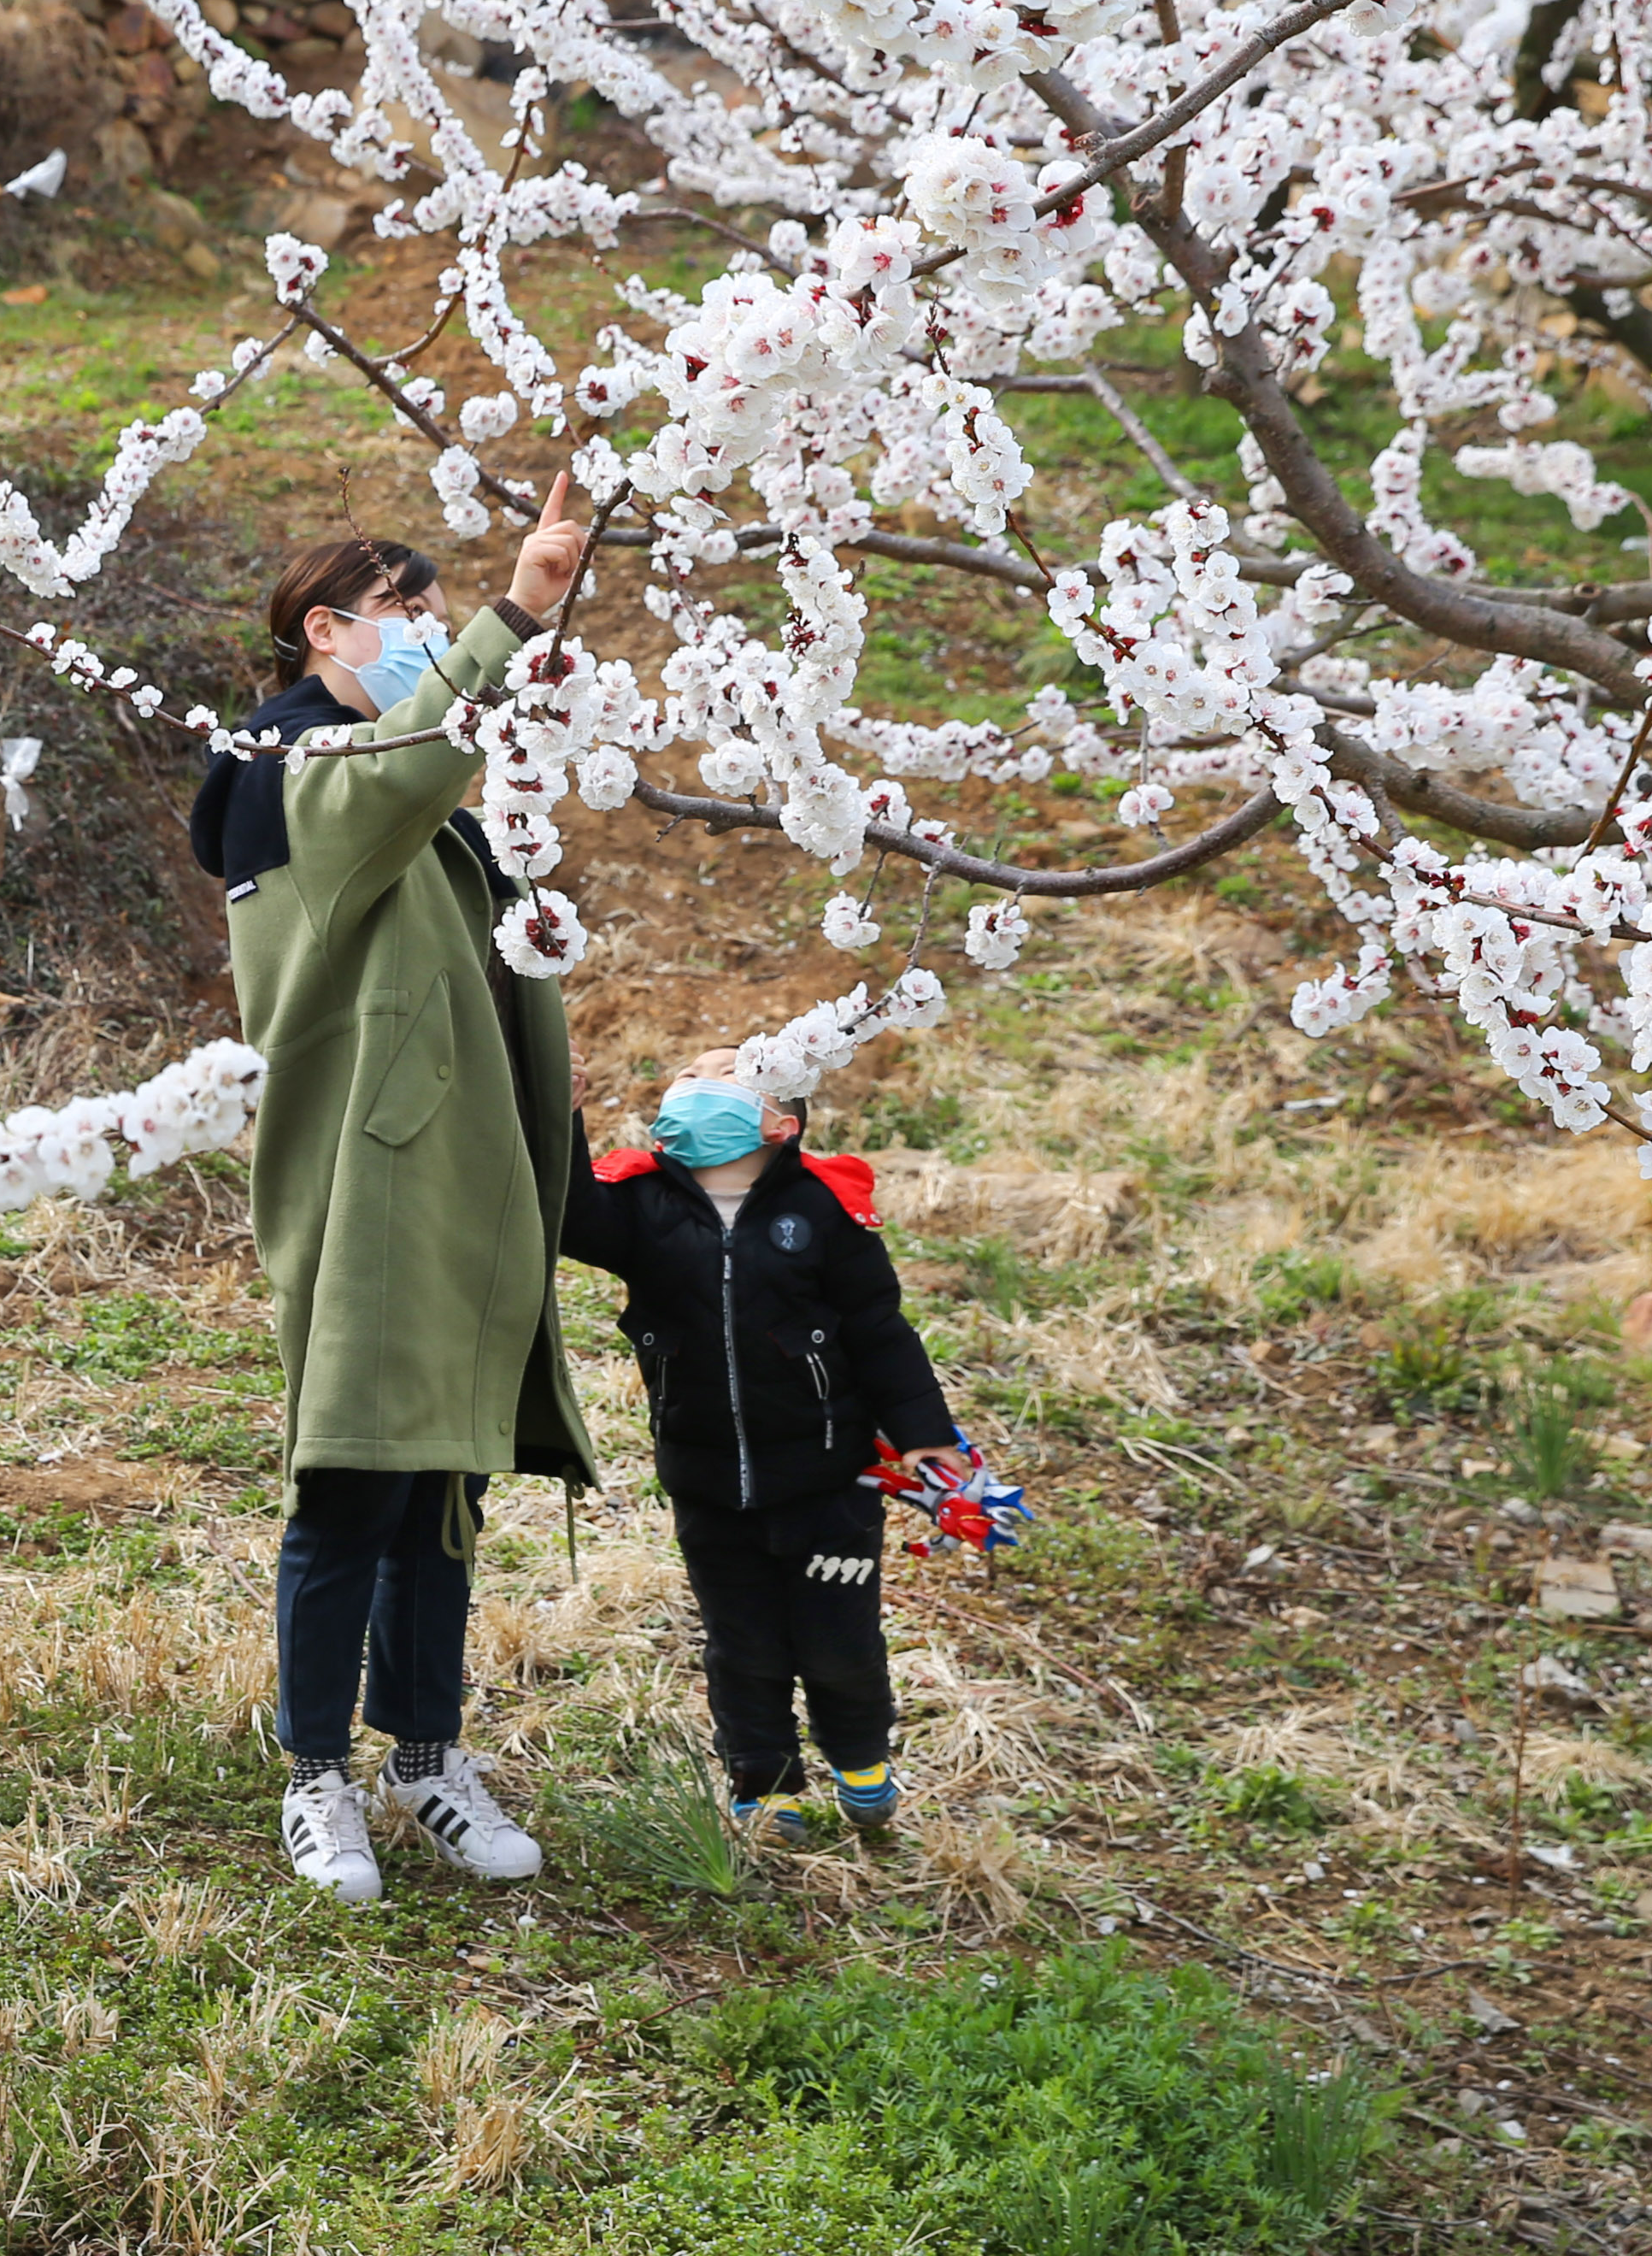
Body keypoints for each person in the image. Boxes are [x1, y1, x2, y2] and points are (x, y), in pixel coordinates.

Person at [185, 481, 600, 1903]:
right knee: (352, 1475)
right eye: (409, 614)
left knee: (440, 1483)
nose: (430, 635)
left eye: (439, 613)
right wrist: (520, 609)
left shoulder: (418, 811)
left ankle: (427, 1755)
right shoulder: (292, 775)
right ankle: (319, 1775)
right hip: (365, 1177)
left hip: (461, 1181)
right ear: (325, 632)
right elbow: (412, 763)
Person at [560, 1050, 1029, 1830]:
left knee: (839, 1638)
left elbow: (879, 1329)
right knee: (741, 1641)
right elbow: (570, 1217)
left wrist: (922, 1433)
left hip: (829, 1481)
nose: (695, 1076)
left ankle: (860, 1756)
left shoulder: (820, 1209)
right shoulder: (642, 1203)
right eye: (690, 1071)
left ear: (780, 1120)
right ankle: (763, 1780)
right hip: (707, 1481)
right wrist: (562, 1115)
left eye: (727, 1070)